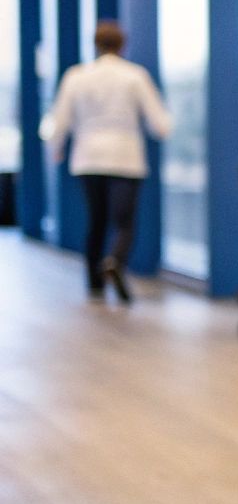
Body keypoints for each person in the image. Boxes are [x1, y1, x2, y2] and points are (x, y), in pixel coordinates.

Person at [43, 21, 172, 303]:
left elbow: (60, 118)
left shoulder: (76, 76)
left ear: (96, 45)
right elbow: (160, 124)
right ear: (122, 45)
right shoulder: (135, 76)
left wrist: (56, 147)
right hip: (125, 157)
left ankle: (94, 284)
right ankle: (115, 260)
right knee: (123, 221)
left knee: (96, 220)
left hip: (88, 156)